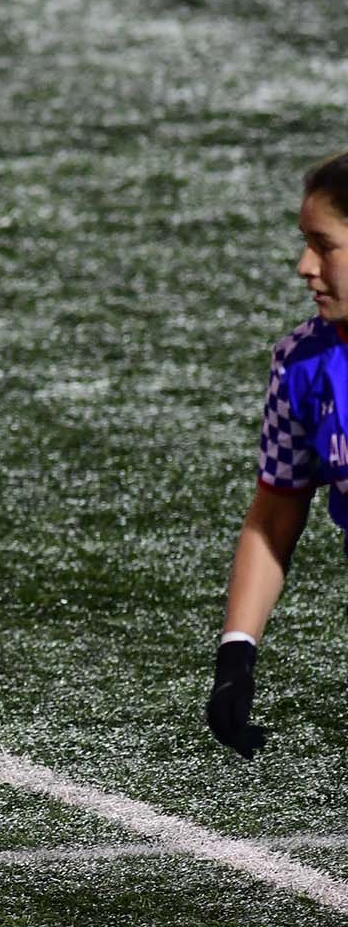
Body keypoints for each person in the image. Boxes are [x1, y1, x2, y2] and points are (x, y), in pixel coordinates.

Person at [208, 150, 348, 761]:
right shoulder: (303, 360)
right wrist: (236, 653)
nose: (304, 266)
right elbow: (276, 509)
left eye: (324, 244)